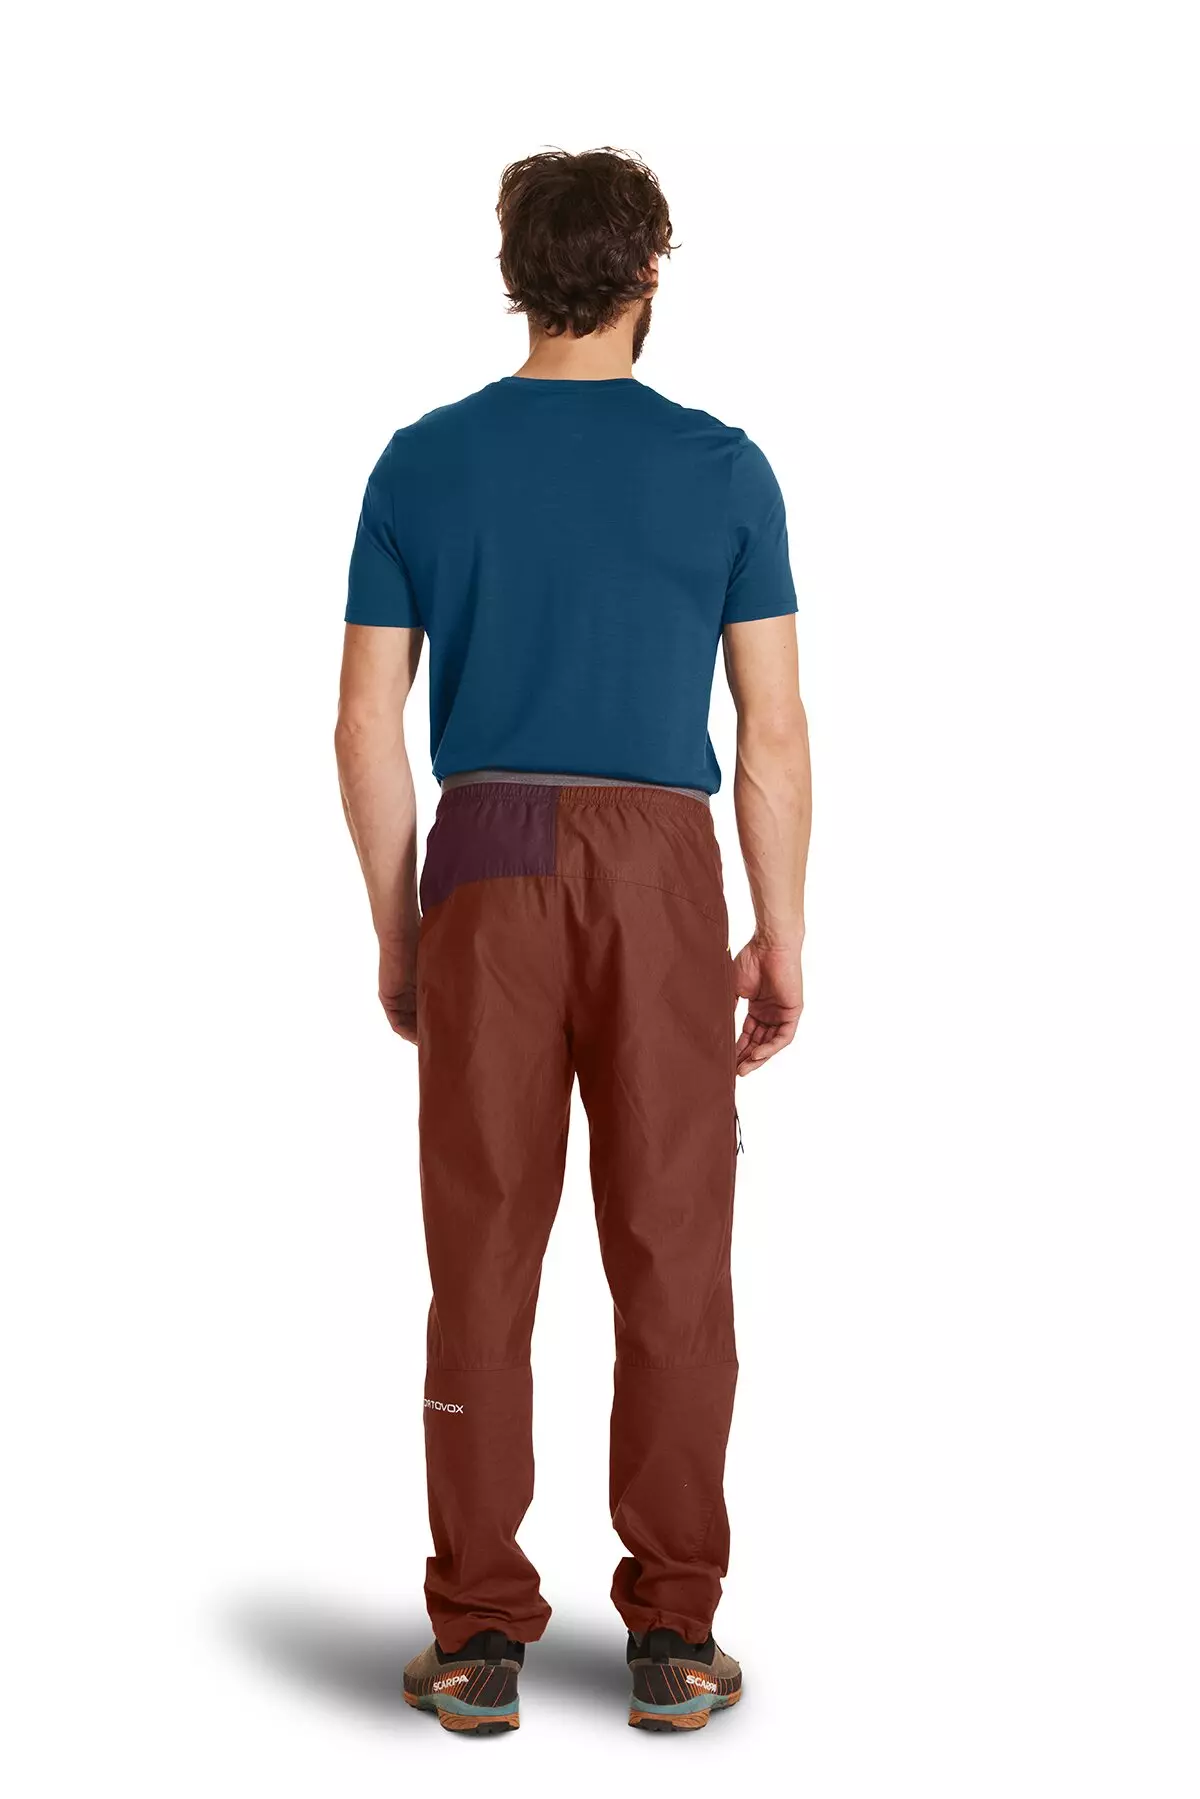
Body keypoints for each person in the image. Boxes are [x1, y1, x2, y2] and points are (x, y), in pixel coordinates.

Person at [335, 146, 811, 1735]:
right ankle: (673, 1630)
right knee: (673, 1247)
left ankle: (477, 1635)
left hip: (485, 849)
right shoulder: (725, 470)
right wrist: (780, 931)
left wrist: (401, 926)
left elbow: (365, 723)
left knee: (480, 1247)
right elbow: (771, 731)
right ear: (651, 271)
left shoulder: (422, 463)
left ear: (514, 274)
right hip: (662, 863)